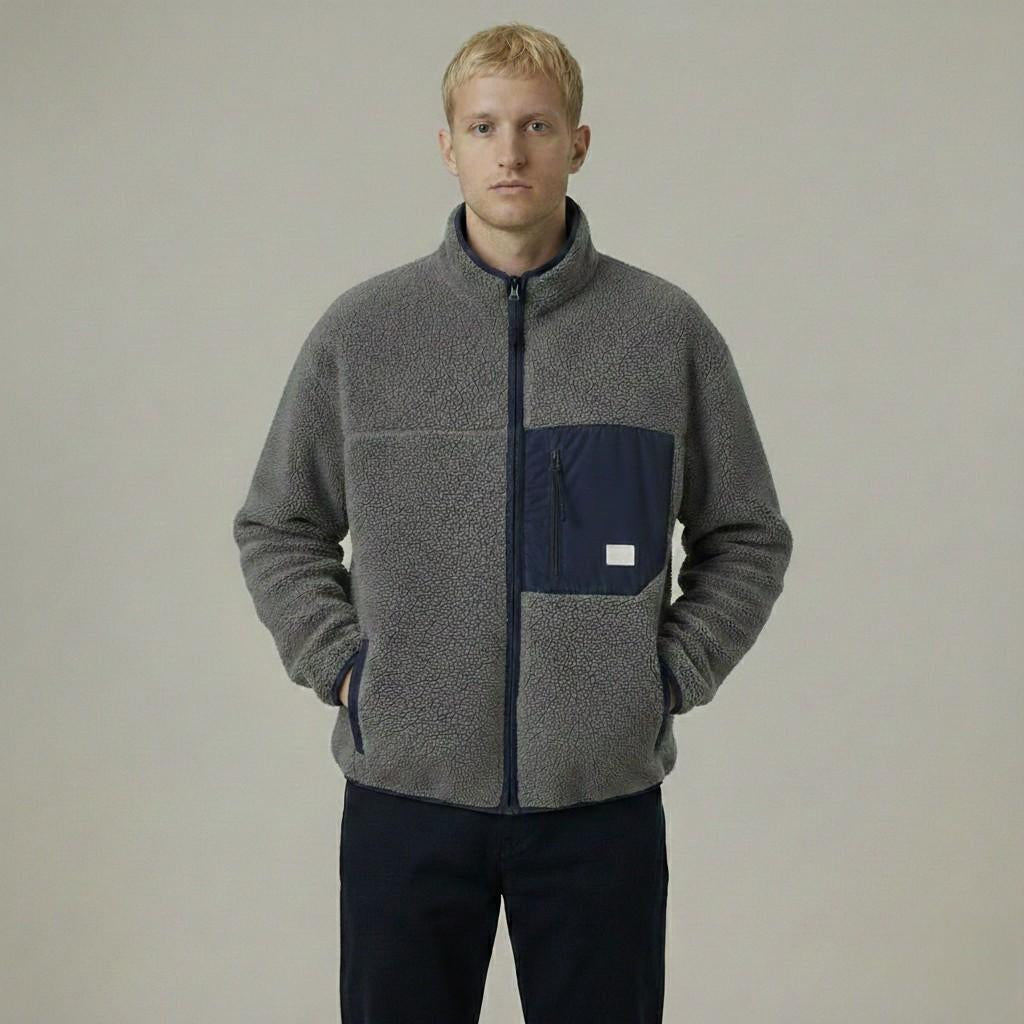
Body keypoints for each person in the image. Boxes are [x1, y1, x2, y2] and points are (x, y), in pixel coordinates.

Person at [232, 21, 793, 1024]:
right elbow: (279, 523)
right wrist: (347, 668)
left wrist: (667, 676)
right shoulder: (365, 333)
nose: (510, 151)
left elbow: (746, 534)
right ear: (446, 146)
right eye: (484, 126)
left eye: (536, 125)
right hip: (406, 799)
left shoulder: (662, 332)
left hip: (598, 808)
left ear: (578, 142)